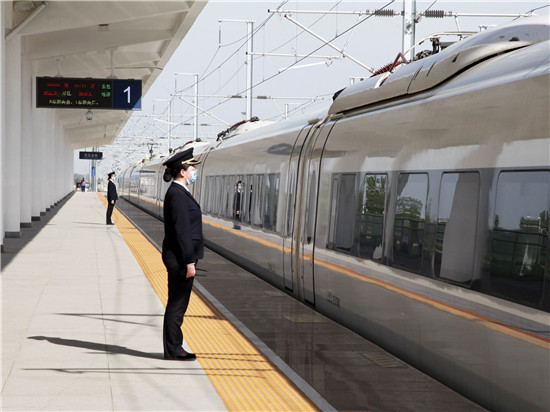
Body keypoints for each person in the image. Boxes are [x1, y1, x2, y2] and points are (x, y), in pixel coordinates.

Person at [161, 148, 203, 361]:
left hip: (179, 257)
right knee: (177, 305)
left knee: (177, 304)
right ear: (182, 172)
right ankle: (174, 349)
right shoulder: (177, 195)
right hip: (180, 259)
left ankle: (174, 347)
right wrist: (189, 261)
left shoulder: (178, 193)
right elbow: (182, 231)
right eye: (192, 169)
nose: (195, 172)